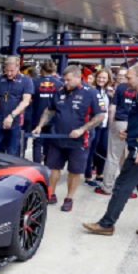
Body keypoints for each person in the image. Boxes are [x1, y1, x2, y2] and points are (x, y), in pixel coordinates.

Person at [83, 63, 138, 238]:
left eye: (129, 77)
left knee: (122, 185)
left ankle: (106, 224)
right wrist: (130, 132)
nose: (125, 80)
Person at [32, 65, 105, 212]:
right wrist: (40, 125)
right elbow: (49, 110)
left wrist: (82, 130)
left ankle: (69, 198)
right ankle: (50, 194)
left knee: (74, 170)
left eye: (68, 80)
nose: (65, 83)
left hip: (79, 140)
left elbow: (100, 116)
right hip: (57, 137)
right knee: (53, 167)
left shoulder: (91, 93)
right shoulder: (59, 92)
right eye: (64, 80)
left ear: (79, 78)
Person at [96, 66, 135, 196]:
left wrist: (112, 124)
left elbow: (112, 108)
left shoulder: (120, 88)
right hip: (135, 125)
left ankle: (107, 187)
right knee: (129, 157)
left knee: (113, 156)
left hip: (120, 122)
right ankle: (128, 189)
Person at [0, 56, 34, 158]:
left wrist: (12, 116)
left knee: (12, 153)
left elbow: (26, 101)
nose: (9, 73)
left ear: (18, 67)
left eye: (11, 71)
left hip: (15, 123)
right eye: (6, 70)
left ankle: (10, 173)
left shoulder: (26, 81)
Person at [30, 60, 64, 163]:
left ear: (42, 70)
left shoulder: (34, 82)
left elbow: (30, 99)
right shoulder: (60, 84)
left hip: (37, 117)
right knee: (49, 144)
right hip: (54, 119)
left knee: (37, 143)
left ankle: (37, 167)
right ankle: (47, 167)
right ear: (54, 70)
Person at [84, 68, 112, 186]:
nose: (101, 79)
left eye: (104, 78)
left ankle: (99, 174)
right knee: (91, 150)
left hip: (105, 125)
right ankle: (88, 176)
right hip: (94, 124)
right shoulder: (91, 91)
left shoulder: (108, 92)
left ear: (108, 79)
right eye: (99, 77)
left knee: (103, 150)